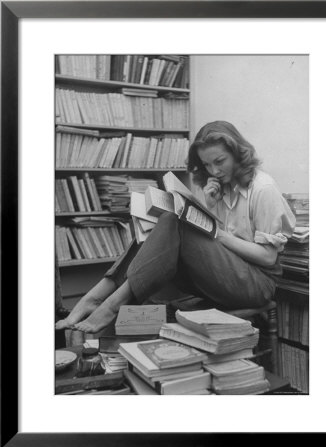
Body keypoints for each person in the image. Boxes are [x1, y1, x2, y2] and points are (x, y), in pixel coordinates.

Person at [55, 121, 296, 334]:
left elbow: (267, 256)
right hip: (226, 275)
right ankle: (97, 296)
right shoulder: (220, 186)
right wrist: (210, 207)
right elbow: (212, 246)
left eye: (220, 161)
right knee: (158, 229)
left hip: (256, 284)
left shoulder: (263, 189)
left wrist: (219, 234)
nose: (214, 171)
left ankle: (108, 302)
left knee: (174, 222)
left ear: (238, 154)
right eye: (207, 164)